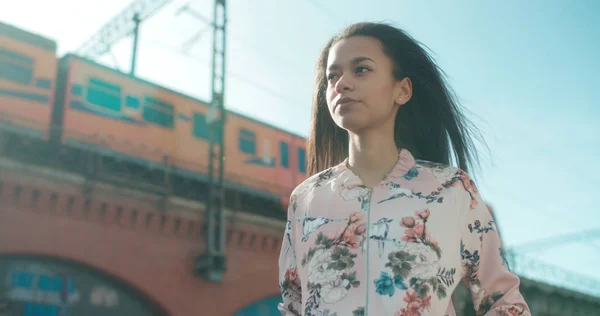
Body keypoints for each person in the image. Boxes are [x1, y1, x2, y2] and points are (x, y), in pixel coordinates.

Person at [277, 22, 530, 316]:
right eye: (332, 76)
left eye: (361, 70)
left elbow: (504, 301)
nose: (341, 83)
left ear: (403, 90)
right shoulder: (305, 199)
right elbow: (293, 304)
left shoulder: (451, 190)